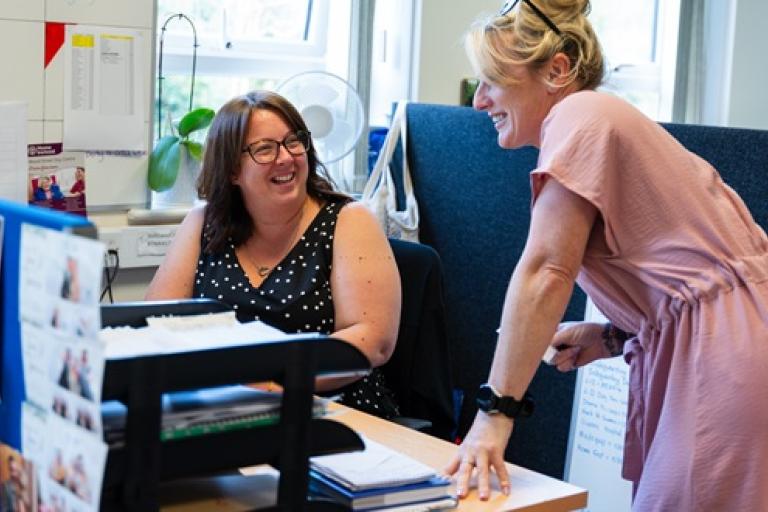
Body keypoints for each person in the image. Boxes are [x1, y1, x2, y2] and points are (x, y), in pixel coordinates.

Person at [446, 1, 768, 510]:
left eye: (493, 80)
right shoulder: (603, 120)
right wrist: (614, 336)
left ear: (557, 70)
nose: (480, 101)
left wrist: (494, 413)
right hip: (729, 344)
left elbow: (546, 271)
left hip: (728, 356)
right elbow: (687, 274)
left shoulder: (581, 113)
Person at [145, 90, 402, 419]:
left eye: (294, 141)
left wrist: (269, 385)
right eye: (264, 149)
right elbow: (157, 325)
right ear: (232, 170)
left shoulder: (349, 219)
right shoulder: (202, 224)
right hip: (222, 406)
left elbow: (372, 339)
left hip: (331, 410)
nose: (285, 158)